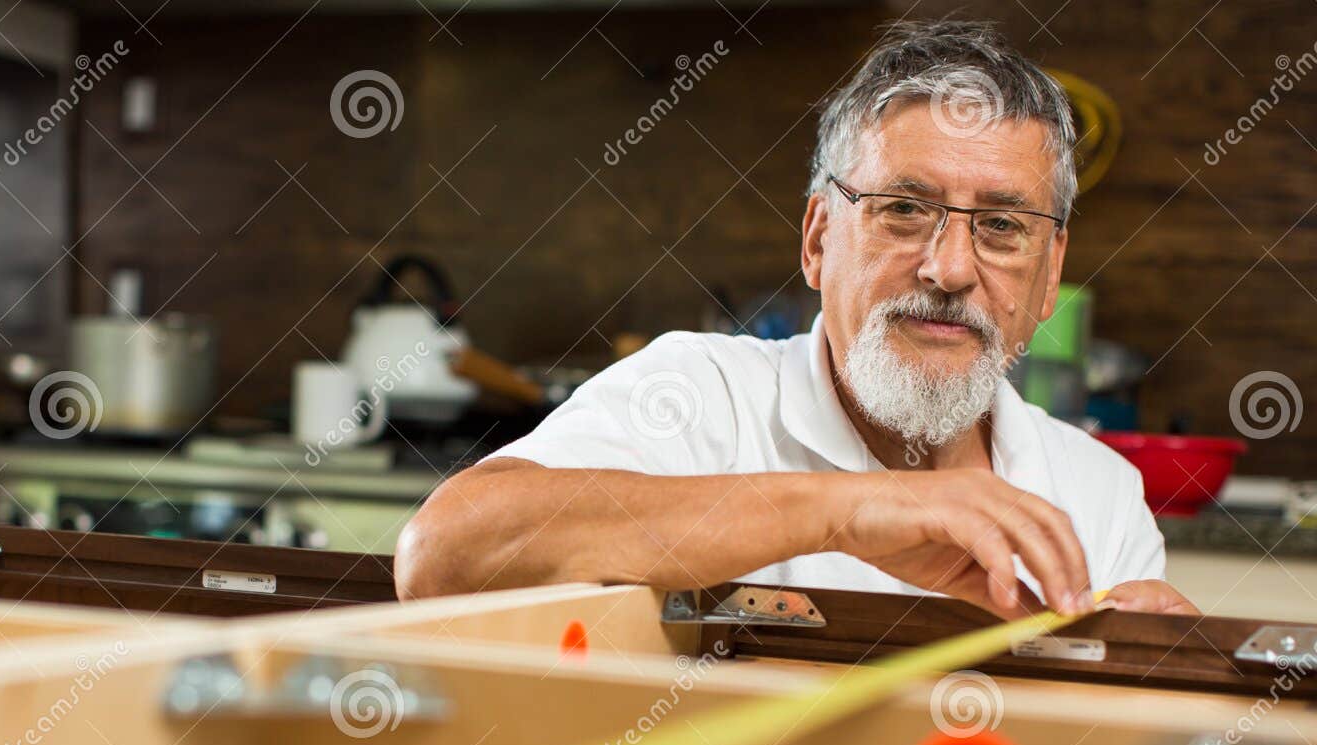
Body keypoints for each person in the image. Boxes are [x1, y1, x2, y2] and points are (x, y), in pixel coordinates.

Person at [394, 19, 1197, 617]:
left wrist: (1166, 696)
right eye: (905, 209)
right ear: (818, 240)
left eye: (1002, 226)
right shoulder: (699, 397)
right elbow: (442, 557)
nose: (950, 269)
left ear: (1049, 275)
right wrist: (841, 510)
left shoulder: (1098, 496)